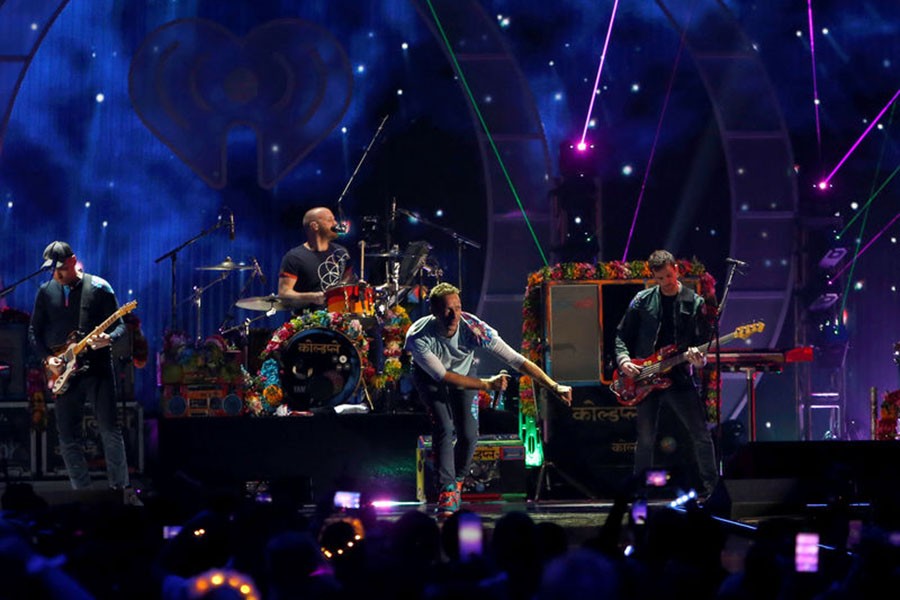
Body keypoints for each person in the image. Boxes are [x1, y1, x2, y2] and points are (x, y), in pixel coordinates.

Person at [404, 282, 572, 515]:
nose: (454, 315)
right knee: (443, 425)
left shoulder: (475, 329)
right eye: (447, 309)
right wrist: (487, 385)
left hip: (464, 373)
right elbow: (442, 376)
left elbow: (517, 360)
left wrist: (554, 386)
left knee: (470, 433)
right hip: (430, 379)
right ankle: (447, 489)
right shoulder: (418, 335)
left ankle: (458, 480)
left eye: (458, 308)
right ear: (433, 310)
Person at [27, 241, 140, 505]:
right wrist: (48, 359)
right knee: (67, 436)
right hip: (63, 372)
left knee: (109, 430)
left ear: (72, 261)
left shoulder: (99, 287)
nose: (57, 274)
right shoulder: (45, 292)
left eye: (60, 269)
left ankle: (119, 490)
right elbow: (34, 331)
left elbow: (121, 326)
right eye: (52, 270)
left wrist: (108, 339)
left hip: (97, 368)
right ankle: (83, 493)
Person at [613, 249, 719, 499]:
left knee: (700, 434)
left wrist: (699, 359)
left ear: (677, 270)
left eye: (669, 277)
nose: (665, 283)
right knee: (646, 438)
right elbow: (621, 335)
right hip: (645, 376)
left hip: (679, 376)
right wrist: (624, 359)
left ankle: (713, 489)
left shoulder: (694, 303)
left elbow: (702, 342)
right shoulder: (642, 300)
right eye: (660, 279)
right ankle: (639, 491)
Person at [277, 206, 355, 312]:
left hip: (339, 317)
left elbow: (348, 279)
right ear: (315, 226)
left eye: (334, 219)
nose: (336, 223)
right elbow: (284, 293)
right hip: (309, 320)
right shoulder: (294, 257)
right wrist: (312, 297)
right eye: (330, 220)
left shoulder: (341, 252)